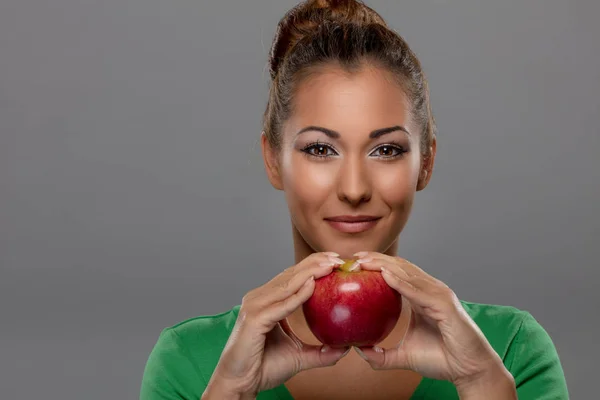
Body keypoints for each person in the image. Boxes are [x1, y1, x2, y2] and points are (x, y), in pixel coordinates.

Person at [139, 0, 569, 399]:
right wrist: (229, 389)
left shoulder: (510, 350)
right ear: (273, 160)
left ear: (426, 163)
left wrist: (481, 380)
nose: (354, 189)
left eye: (386, 150)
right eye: (320, 149)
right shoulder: (189, 362)